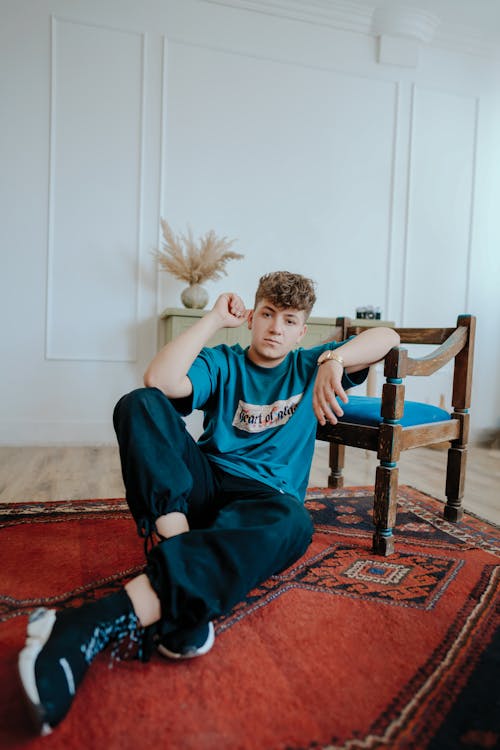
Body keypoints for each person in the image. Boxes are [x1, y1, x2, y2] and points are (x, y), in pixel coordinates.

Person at [18, 271, 400, 734]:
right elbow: (159, 379)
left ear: (303, 330)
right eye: (267, 314)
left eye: (289, 320)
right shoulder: (224, 362)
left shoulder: (310, 363)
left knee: (296, 524)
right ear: (252, 317)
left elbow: (388, 336)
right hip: (206, 485)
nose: (276, 328)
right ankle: (183, 558)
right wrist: (213, 318)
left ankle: (86, 624)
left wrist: (335, 360)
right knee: (139, 403)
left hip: (265, 500)